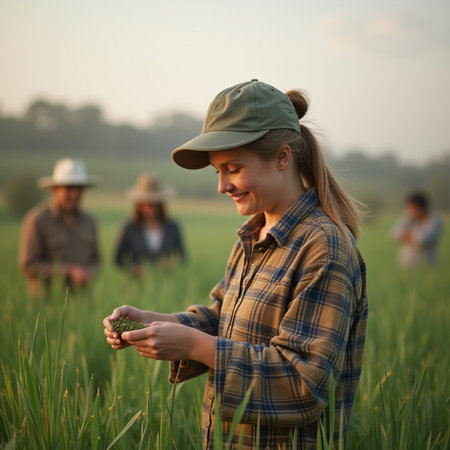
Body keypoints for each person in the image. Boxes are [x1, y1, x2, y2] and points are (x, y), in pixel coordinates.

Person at [104, 80, 368, 449]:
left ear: (282, 157)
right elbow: (222, 318)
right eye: (217, 172)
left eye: (233, 168)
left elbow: (304, 382)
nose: (222, 186)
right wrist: (157, 321)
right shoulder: (252, 236)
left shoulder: (324, 248)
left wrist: (195, 345)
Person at [19, 158, 100, 298]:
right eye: (69, 188)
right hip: (46, 303)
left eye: (79, 188)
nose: (75, 194)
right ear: (54, 189)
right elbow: (29, 265)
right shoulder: (37, 219)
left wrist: (89, 272)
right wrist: (68, 272)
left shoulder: (89, 221)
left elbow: (96, 259)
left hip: (81, 302)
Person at [115, 173, 186, 276]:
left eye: (153, 204)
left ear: (161, 204)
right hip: (136, 283)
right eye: (145, 204)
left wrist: (171, 264)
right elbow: (118, 260)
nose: (149, 209)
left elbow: (183, 258)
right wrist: (134, 269)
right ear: (138, 205)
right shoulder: (129, 228)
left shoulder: (173, 227)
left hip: (165, 282)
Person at [393, 191, 443, 267]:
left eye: (411, 208)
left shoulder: (435, 220)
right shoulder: (408, 217)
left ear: (419, 208)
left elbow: (422, 239)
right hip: (406, 264)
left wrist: (406, 235)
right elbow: (395, 234)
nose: (409, 211)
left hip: (426, 264)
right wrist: (412, 237)